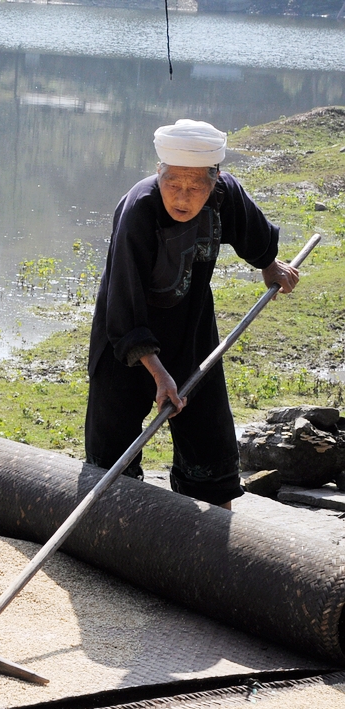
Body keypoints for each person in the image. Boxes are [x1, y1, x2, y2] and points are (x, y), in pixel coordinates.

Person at [85, 119, 299, 510]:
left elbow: (250, 228)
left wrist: (268, 263)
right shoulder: (139, 210)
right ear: (158, 173)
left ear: (214, 180)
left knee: (210, 452)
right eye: (173, 184)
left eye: (195, 185)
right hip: (126, 340)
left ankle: (210, 542)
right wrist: (158, 371)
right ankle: (111, 540)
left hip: (192, 331)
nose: (183, 197)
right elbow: (123, 300)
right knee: (111, 463)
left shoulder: (223, 195)